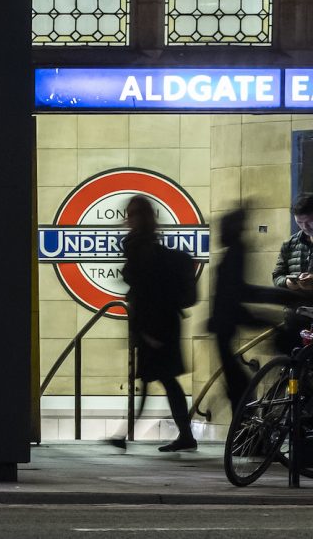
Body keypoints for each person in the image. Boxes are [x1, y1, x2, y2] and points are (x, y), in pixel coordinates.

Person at [110, 195, 199, 454]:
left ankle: (127, 434)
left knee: (163, 380)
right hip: (160, 324)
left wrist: (147, 331)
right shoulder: (143, 245)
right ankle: (178, 434)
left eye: (132, 215)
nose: (128, 220)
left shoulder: (141, 248)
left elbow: (147, 292)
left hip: (156, 327)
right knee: (162, 380)